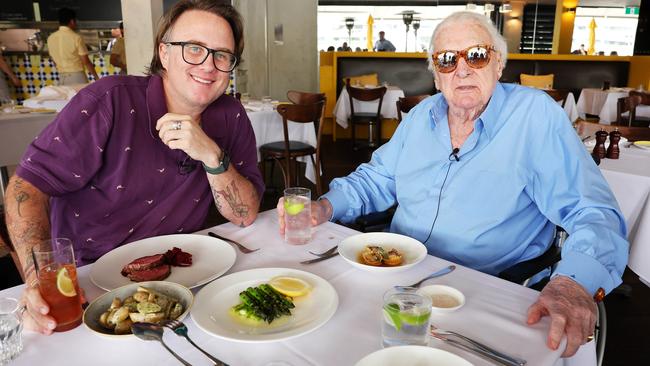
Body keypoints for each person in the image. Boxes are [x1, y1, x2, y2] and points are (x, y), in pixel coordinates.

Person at [278, 11, 627, 358]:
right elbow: (378, 178)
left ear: (499, 64)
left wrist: (572, 282)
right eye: (447, 60)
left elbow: (592, 210)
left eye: (476, 55)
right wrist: (324, 206)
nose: (462, 69)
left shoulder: (534, 117)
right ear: (436, 74)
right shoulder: (419, 118)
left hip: (485, 291)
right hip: (395, 276)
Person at [6, 0, 264, 334]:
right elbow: (26, 187)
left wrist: (213, 156)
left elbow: (244, 215)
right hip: (88, 286)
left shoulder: (231, 116)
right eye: (193, 49)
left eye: (222, 55)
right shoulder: (109, 101)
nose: (208, 65)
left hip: (183, 279)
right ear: (165, 53)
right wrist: (39, 277)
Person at [46, 7, 99, 85]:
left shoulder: (50, 38)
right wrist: (96, 77)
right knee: (80, 97)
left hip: (62, 79)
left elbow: (54, 61)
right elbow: (86, 61)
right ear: (72, 21)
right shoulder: (76, 37)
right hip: (77, 78)